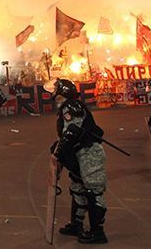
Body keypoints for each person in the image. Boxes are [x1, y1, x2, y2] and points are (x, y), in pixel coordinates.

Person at [50, 78, 108, 244]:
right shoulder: (67, 107)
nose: (53, 93)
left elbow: (72, 131)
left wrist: (58, 153)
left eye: (56, 90)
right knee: (78, 188)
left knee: (93, 191)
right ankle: (77, 225)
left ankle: (98, 232)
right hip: (79, 154)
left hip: (89, 153)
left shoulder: (71, 107)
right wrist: (57, 147)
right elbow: (66, 135)